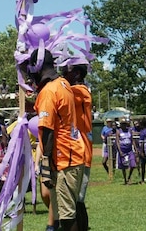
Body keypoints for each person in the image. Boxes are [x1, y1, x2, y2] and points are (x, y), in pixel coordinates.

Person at [27, 49, 86, 231]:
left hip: (63, 160)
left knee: (67, 217)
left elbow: (48, 132)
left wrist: (46, 164)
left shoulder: (48, 91)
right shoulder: (63, 83)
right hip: (73, 154)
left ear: (37, 67)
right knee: (70, 210)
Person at [64, 62, 92, 231]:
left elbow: (61, 94)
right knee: (76, 200)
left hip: (82, 154)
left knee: (77, 200)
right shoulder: (73, 90)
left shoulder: (80, 91)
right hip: (75, 152)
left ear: (77, 74)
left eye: (67, 69)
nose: (62, 71)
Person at [116, 119, 137, 185]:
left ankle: (129, 177)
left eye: (125, 124)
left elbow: (132, 140)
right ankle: (125, 179)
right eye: (122, 124)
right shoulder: (118, 131)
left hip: (129, 149)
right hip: (122, 149)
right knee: (124, 166)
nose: (124, 125)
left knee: (133, 164)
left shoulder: (129, 131)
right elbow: (117, 142)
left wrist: (135, 149)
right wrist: (120, 151)